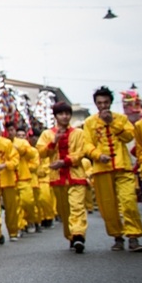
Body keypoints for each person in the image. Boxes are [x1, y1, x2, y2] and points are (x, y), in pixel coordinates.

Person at [82, 86, 142, 252]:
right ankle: (117, 236)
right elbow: (87, 144)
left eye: (106, 102)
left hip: (123, 166)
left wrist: (112, 123)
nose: (103, 106)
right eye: (99, 103)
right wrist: (97, 155)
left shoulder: (121, 119)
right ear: (95, 104)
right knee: (108, 206)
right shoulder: (89, 123)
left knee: (129, 201)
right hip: (101, 169)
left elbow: (129, 136)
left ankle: (133, 236)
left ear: (110, 103)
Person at [37, 101, 96, 253]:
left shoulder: (78, 133)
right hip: (57, 178)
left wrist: (65, 161)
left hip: (76, 175)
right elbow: (41, 152)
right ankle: (71, 236)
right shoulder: (47, 134)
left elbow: (81, 152)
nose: (65, 117)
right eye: (61, 114)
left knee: (77, 207)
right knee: (64, 210)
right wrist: (54, 141)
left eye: (67, 114)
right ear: (55, 116)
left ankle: (78, 235)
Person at [0, 123, 20, 242]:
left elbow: (15, 160)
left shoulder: (7, 143)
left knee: (11, 208)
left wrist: (5, 165)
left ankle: (13, 232)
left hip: (8, 179)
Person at [12, 131, 41, 236]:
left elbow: (33, 162)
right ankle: (20, 225)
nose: (21, 138)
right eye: (18, 135)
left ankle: (31, 220)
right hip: (13, 179)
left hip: (26, 178)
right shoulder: (8, 144)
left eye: (23, 135)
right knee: (16, 205)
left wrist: (20, 150)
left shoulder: (30, 149)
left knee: (28, 202)